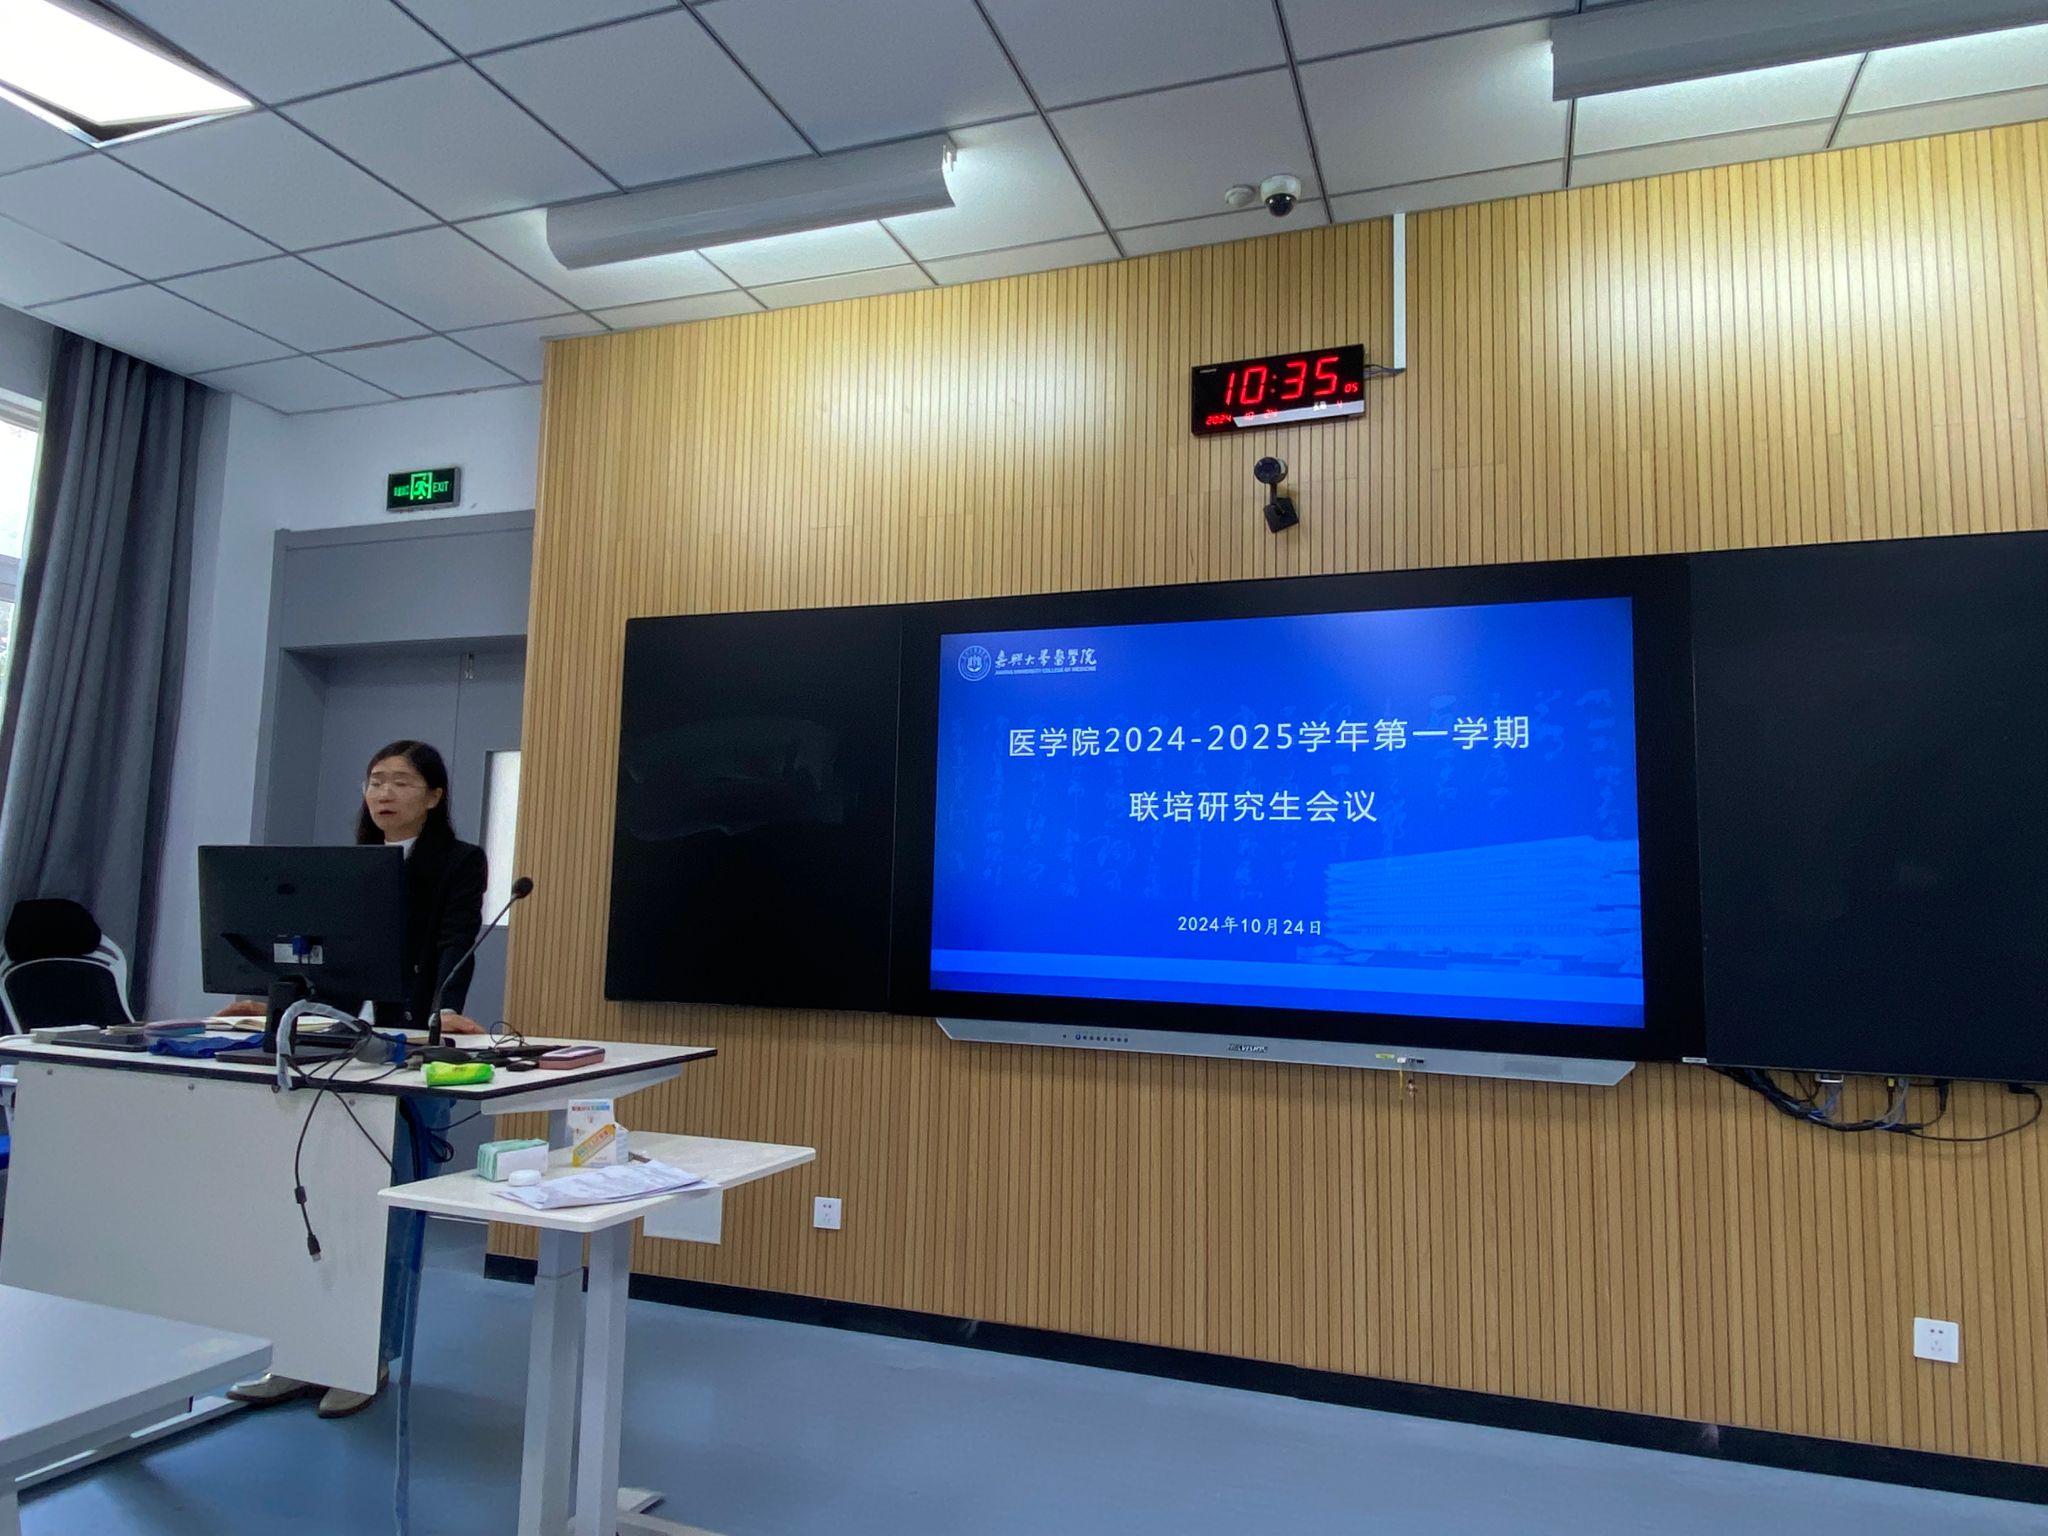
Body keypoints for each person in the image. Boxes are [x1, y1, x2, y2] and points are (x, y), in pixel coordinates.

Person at [220, 740, 489, 1418]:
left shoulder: (458, 861)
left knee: (386, 1218)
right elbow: (312, 951)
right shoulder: (344, 866)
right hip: (332, 1047)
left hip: (407, 1047)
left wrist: (444, 1009)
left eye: (401, 781)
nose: (384, 793)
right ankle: (297, 1352)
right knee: (308, 1204)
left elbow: (455, 939)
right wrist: (268, 1000)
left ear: (434, 796)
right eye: (374, 781)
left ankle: (367, 1356)